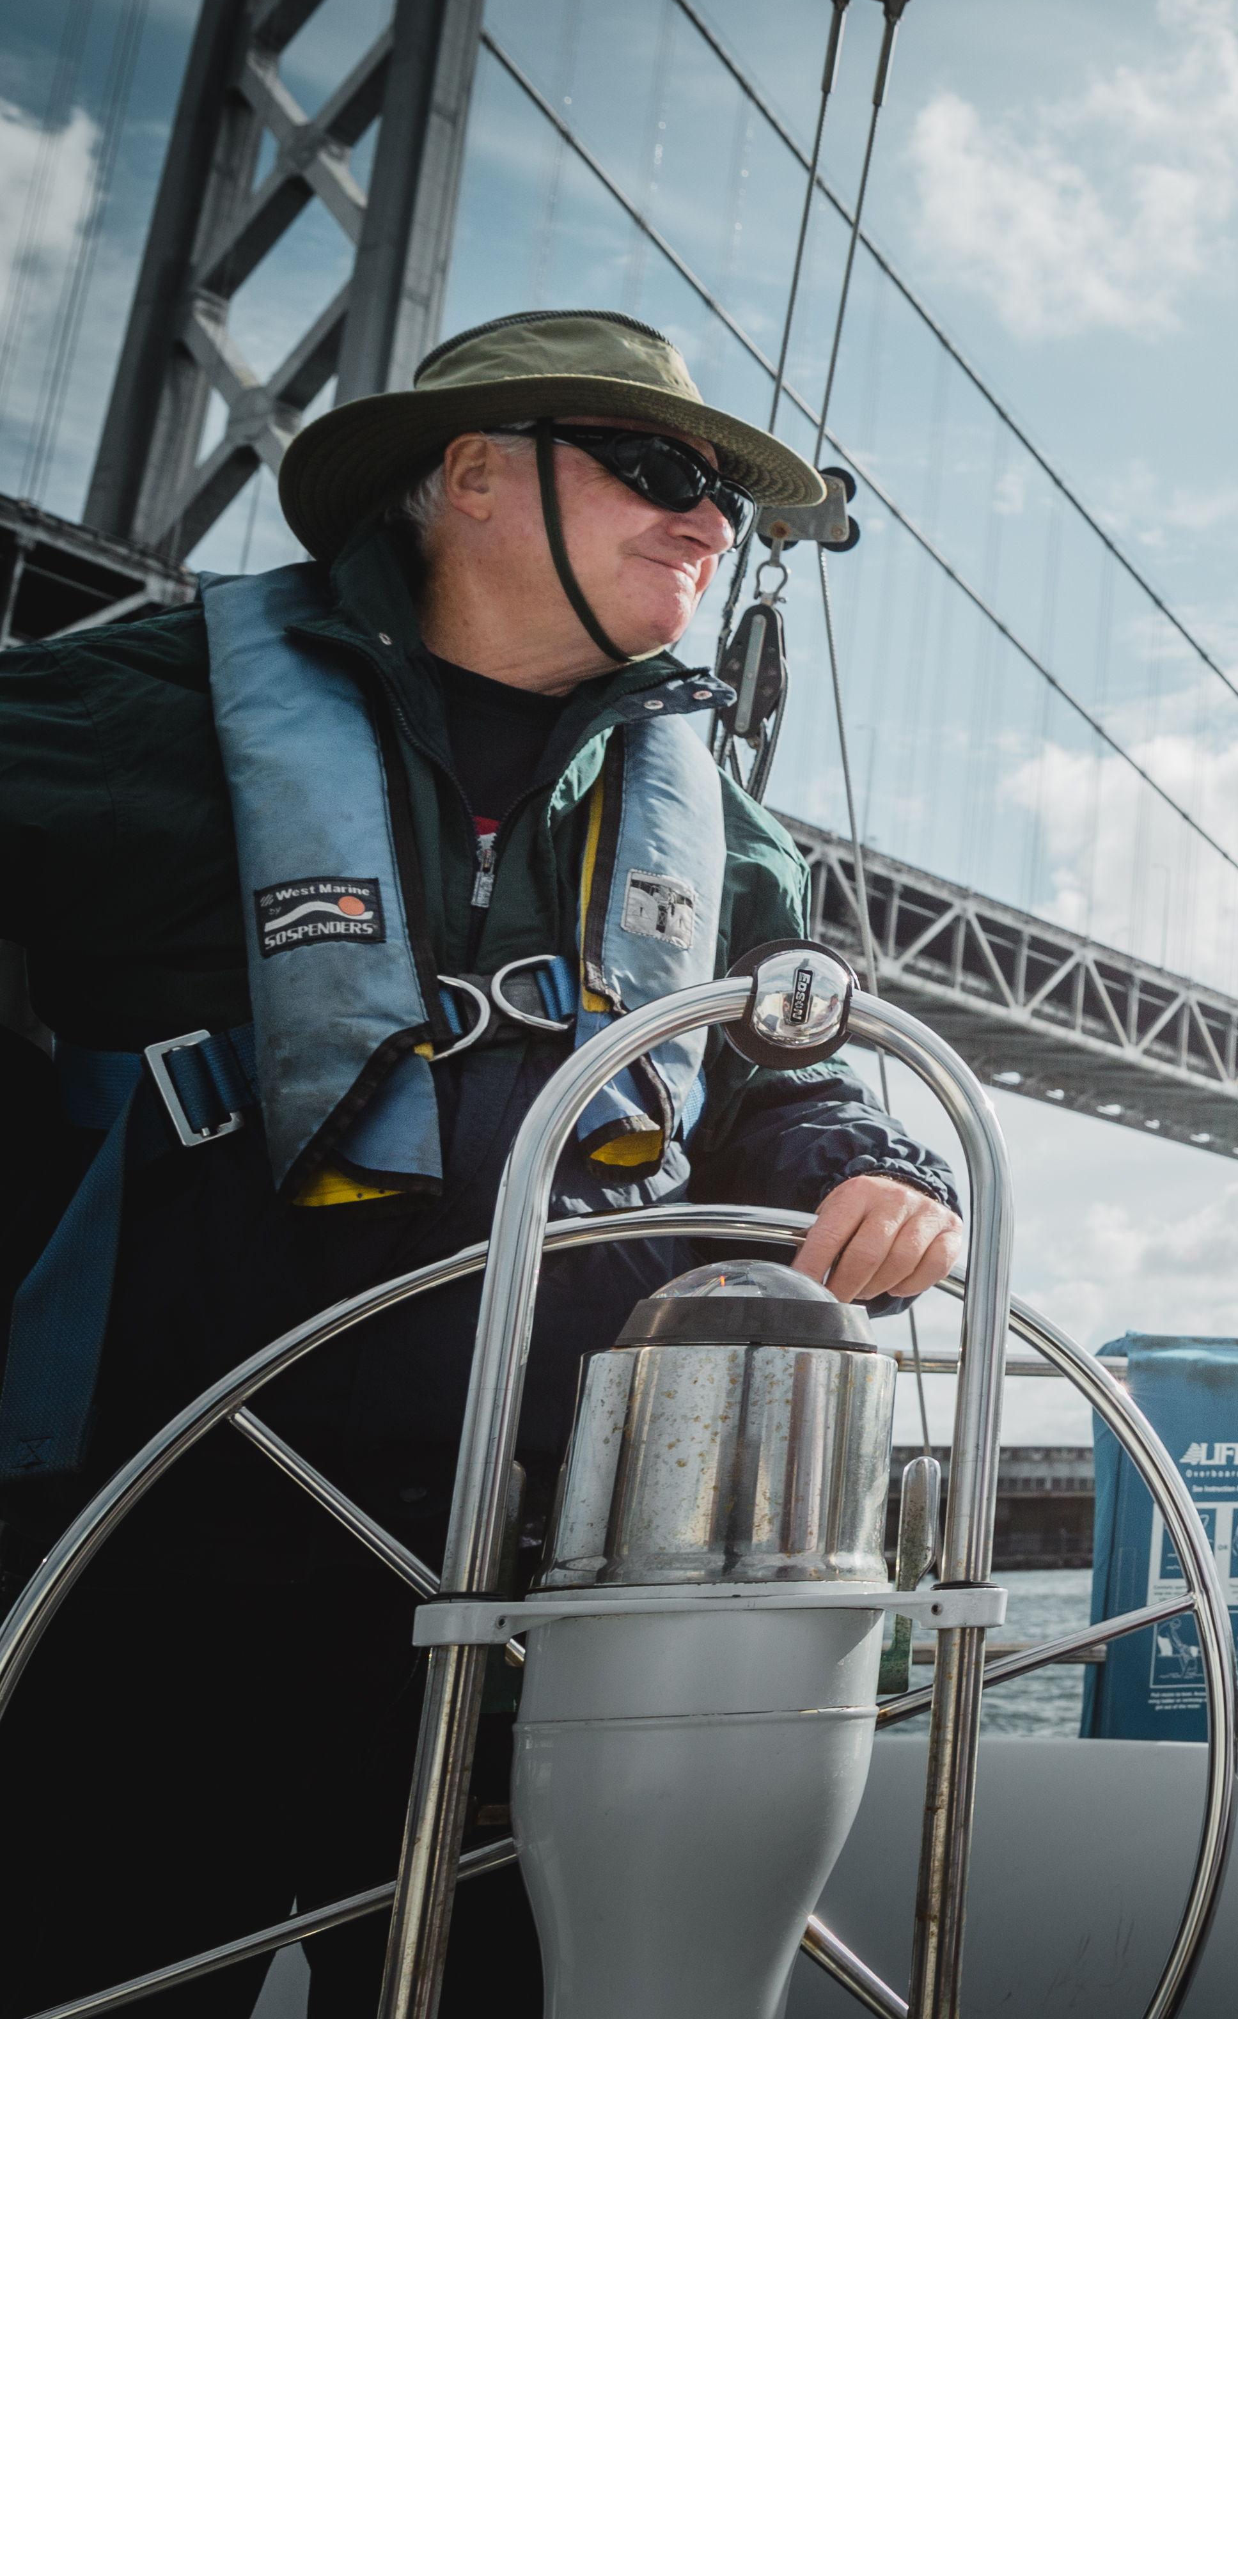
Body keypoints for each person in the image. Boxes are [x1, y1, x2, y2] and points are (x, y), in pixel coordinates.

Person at [0, 309, 964, 2017]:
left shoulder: (718, 828)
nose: (709, 523)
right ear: (469, 480)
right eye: (661, 469)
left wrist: (865, 1169)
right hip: (152, 1570)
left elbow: (777, 1078)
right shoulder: (128, 713)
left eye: (724, 494)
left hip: (544, 1603)